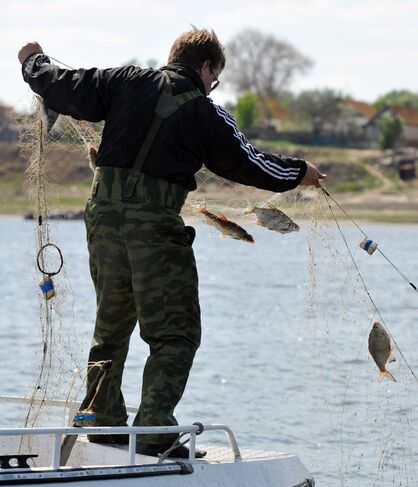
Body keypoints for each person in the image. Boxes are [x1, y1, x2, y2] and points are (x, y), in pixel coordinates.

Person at [18, 28, 325, 459]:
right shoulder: (206, 113)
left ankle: (103, 422)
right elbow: (248, 163)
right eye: (214, 79)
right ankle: (154, 433)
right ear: (205, 68)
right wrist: (300, 172)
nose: (211, 87)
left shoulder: (123, 80)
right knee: (175, 333)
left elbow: (63, 85)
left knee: (112, 323)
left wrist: (33, 61)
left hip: (102, 216)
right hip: (153, 224)